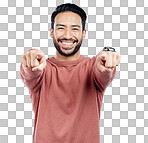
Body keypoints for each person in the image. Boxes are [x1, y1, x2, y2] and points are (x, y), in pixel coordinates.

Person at [20, 3, 120, 143]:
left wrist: (107, 62)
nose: (67, 35)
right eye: (61, 28)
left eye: (74, 29)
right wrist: (31, 62)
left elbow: (103, 72)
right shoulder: (42, 68)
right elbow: (30, 74)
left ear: (83, 33)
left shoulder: (92, 67)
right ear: (51, 32)